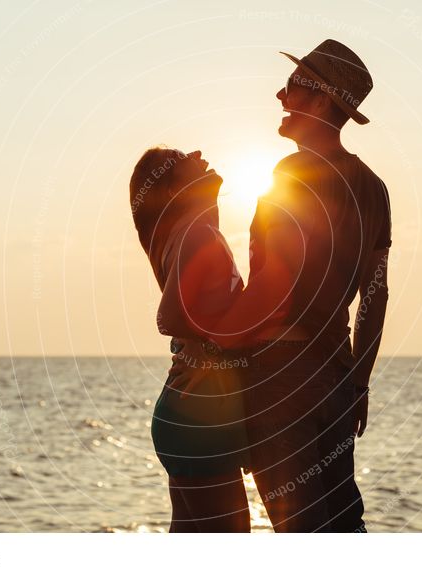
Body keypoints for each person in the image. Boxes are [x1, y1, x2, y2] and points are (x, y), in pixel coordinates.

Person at [170, 39, 391, 532]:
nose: (279, 94)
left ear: (320, 99)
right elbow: (375, 297)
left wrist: (217, 335)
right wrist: (359, 381)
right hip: (336, 377)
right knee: (343, 526)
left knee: (301, 533)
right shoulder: (374, 187)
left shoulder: (293, 175)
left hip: (281, 378)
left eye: (292, 85)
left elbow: (275, 284)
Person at [129, 147, 250, 532]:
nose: (198, 153)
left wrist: (208, 195)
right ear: (173, 189)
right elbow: (171, 316)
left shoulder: (192, 229)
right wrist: (212, 350)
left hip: (190, 411)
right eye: (185, 158)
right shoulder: (196, 233)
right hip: (200, 414)